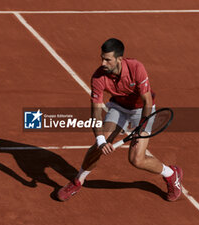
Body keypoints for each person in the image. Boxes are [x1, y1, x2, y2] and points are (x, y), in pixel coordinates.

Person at [57, 38, 183, 202]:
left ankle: (171, 174)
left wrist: (141, 126)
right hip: (118, 108)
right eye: (102, 58)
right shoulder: (98, 77)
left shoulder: (136, 68)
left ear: (119, 59)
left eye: (107, 59)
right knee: (97, 147)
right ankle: (78, 181)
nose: (103, 62)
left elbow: (147, 101)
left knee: (136, 159)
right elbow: (95, 112)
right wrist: (102, 140)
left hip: (141, 110)